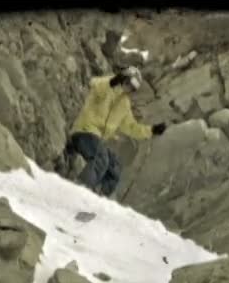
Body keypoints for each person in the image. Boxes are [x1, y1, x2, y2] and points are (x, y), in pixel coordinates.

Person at [65, 66, 167, 197]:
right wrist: (112, 82)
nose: (128, 87)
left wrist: (152, 130)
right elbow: (94, 84)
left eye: (133, 87)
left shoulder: (124, 104)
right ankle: (77, 193)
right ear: (123, 78)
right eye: (128, 82)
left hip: (97, 141)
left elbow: (131, 127)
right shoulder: (107, 85)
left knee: (114, 169)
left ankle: (97, 197)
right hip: (84, 131)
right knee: (101, 158)